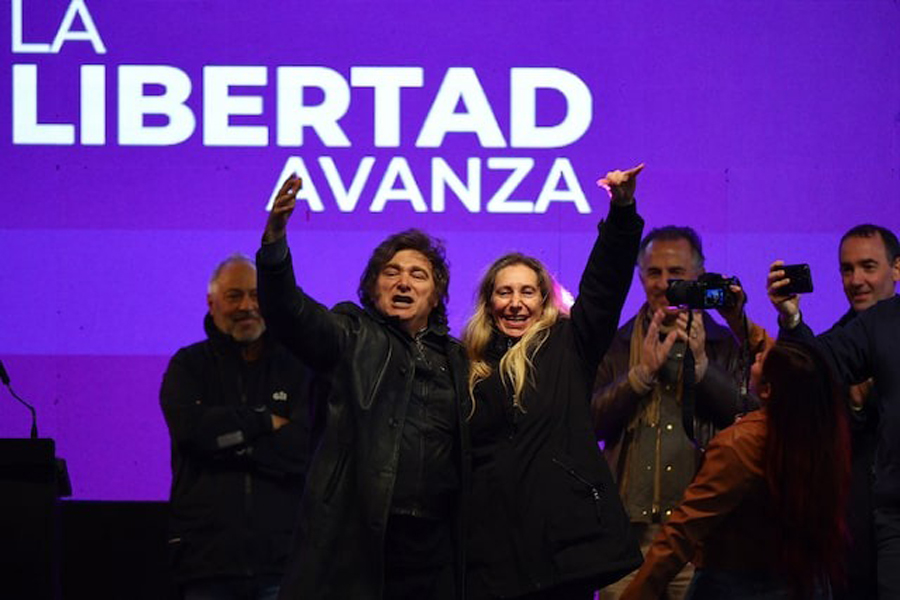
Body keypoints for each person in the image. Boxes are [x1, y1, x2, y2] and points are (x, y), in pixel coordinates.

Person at [255, 175, 470, 600]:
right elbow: (289, 313)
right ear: (373, 288)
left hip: (435, 550)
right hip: (357, 545)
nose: (403, 282)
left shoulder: (459, 359)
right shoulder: (349, 334)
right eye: (391, 272)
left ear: (435, 294)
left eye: (417, 275)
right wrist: (275, 241)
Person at [463, 164, 645, 600]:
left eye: (528, 291)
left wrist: (621, 211)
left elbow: (604, 286)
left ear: (544, 299)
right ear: (489, 302)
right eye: (504, 292)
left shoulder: (569, 345)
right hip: (491, 555)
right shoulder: (464, 363)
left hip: (562, 553)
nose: (516, 303)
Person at [619, 340, 851, 600]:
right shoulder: (821, 437)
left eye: (762, 359)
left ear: (767, 390)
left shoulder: (740, 444)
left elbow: (682, 531)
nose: (758, 353)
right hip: (808, 580)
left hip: (737, 585)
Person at [592, 226, 747, 599]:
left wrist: (704, 369)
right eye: (654, 273)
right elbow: (589, 421)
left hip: (700, 535)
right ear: (640, 276)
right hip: (626, 536)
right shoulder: (615, 342)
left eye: (675, 274)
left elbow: (747, 419)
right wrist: (639, 376)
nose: (663, 284)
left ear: (698, 275)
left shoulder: (726, 340)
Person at [160, 254, 312, 600]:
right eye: (234, 296)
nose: (247, 306)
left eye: (256, 295)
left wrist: (227, 440)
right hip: (207, 564)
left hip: (283, 564)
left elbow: (304, 447)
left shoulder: (298, 367)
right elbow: (191, 431)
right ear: (212, 303)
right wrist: (264, 422)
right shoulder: (188, 366)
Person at [767, 226, 900, 599]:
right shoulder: (863, 333)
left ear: (896, 268)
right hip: (863, 527)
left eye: (868, 266)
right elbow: (809, 367)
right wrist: (791, 319)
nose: (856, 280)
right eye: (847, 269)